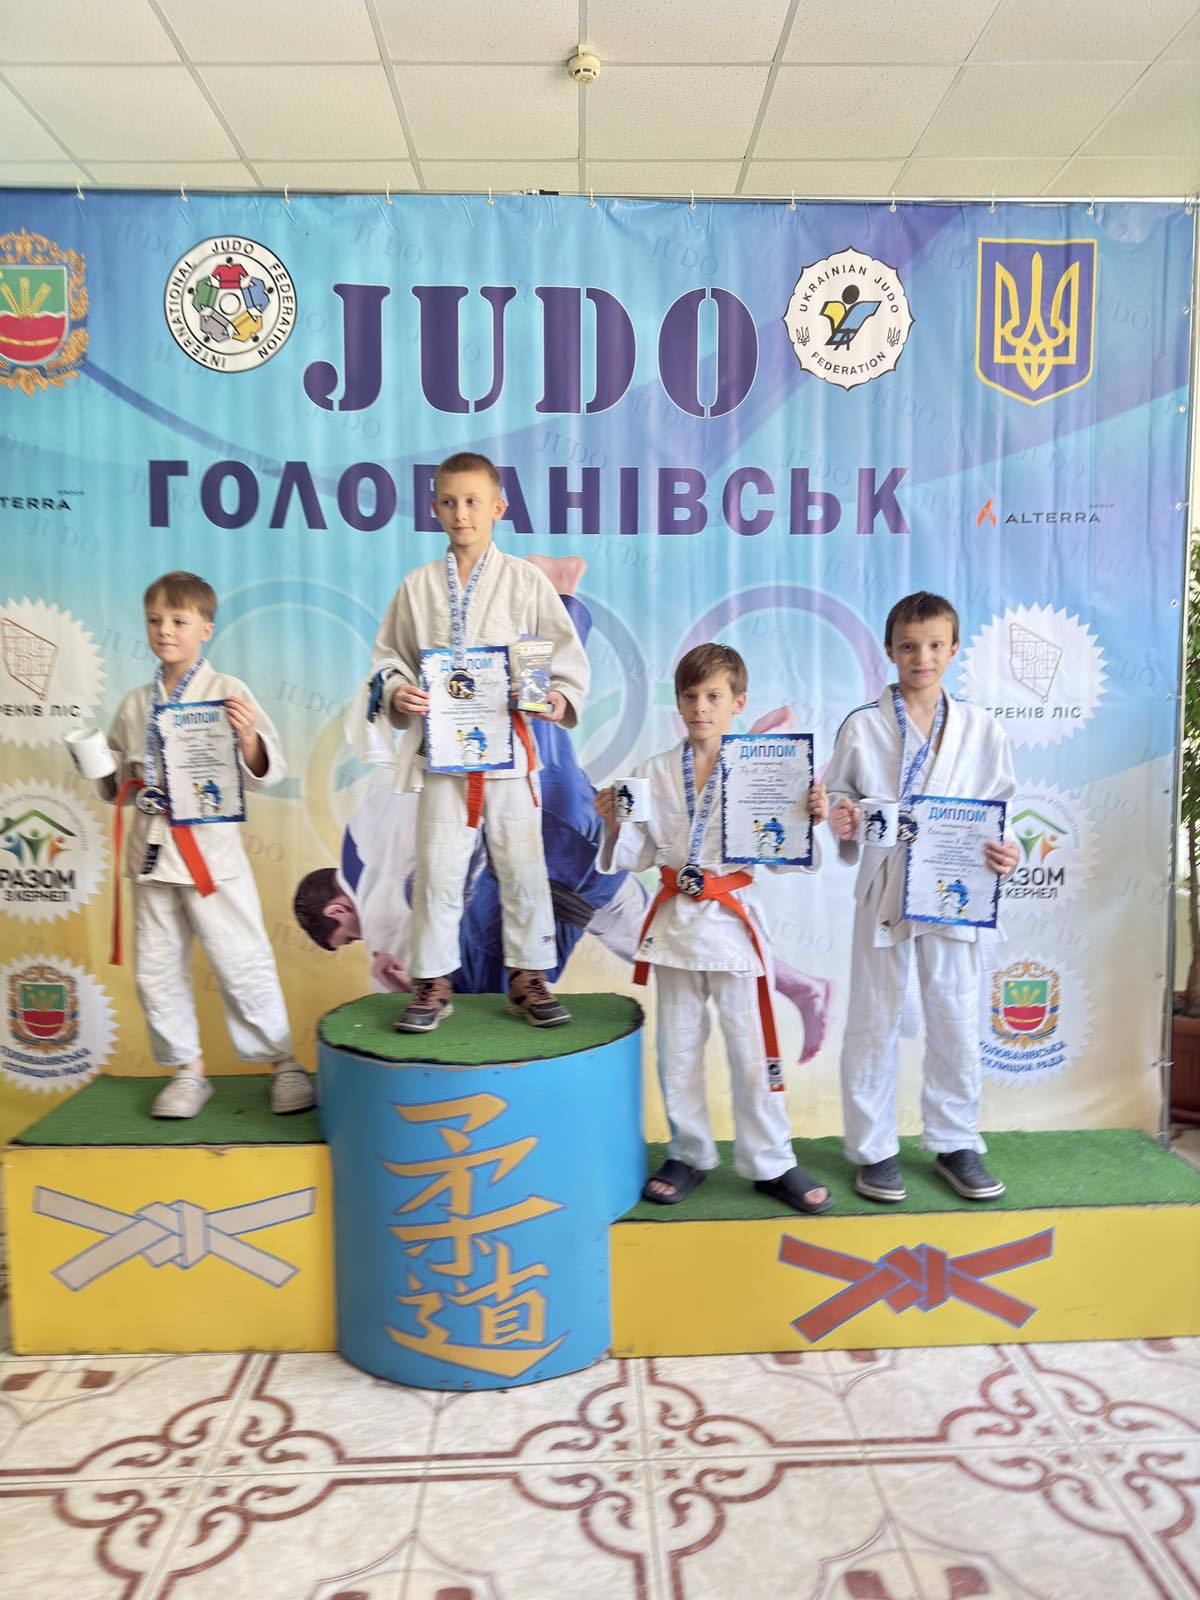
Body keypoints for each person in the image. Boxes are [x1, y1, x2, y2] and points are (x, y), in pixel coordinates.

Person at [595, 643, 833, 1214]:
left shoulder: (764, 770)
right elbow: (637, 854)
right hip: (676, 926)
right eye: (690, 696)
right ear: (678, 703)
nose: (700, 707)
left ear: (737, 703)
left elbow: (784, 854)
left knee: (752, 1052)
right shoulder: (652, 772)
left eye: (713, 696)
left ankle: (772, 1161)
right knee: (677, 1051)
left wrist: (809, 816)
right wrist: (613, 823)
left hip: (733, 926)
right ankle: (689, 1153)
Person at [367, 452, 590, 1031]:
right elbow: (389, 658)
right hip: (444, 756)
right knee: (438, 867)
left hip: (510, 753)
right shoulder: (417, 588)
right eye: (449, 502)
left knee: (523, 865)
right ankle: (432, 981)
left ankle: (529, 977)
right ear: (434, 508)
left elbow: (560, 654)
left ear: (498, 508)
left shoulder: (525, 581)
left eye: (472, 501)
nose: (460, 513)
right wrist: (396, 692)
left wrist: (554, 697)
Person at [93, 571, 312, 1119]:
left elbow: (266, 770)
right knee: (156, 966)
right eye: (155, 620)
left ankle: (283, 1064)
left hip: (212, 854)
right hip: (151, 853)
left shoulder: (228, 692)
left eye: (179, 621)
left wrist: (248, 737)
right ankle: (188, 1071)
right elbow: (117, 787)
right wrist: (98, 765)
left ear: (205, 629)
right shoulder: (134, 704)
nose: (165, 630)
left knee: (242, 959)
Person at [825, 591, 1019, 1203]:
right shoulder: (863, 725)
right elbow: (838, 797)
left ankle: (956, 1142)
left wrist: (1008, 850)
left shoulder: (981, 728)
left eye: (935, 645)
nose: (922, 657)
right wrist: (842, 819)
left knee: (955, 1012)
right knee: (873, 1016)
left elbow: (1000, 807)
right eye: (909, 646)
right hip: (886, 881)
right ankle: (874, 1149)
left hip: (955, 885)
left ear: (954, 649)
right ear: (890, 650)